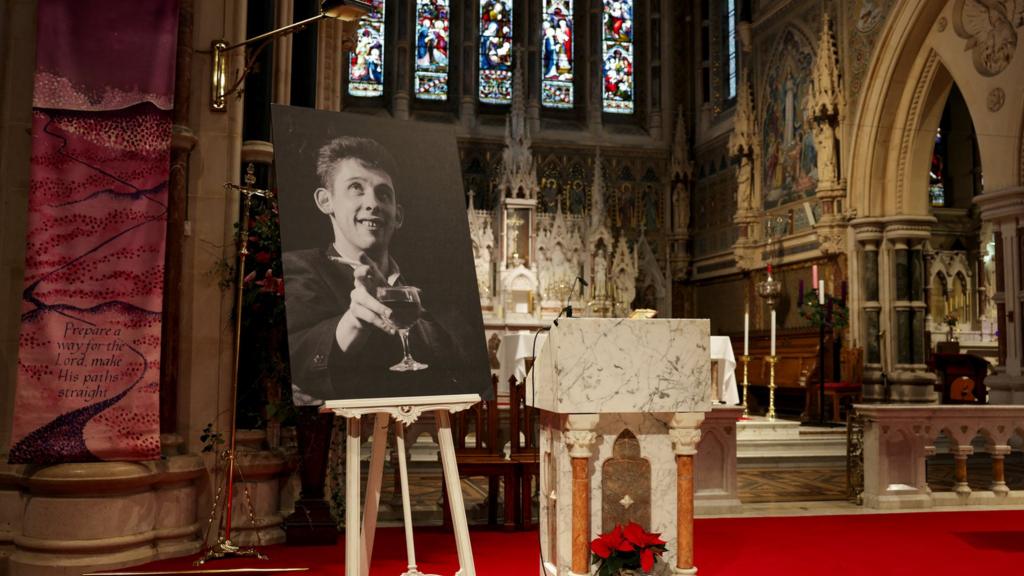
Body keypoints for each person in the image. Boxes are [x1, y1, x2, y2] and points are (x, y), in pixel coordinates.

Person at [283, 136, 462, 404]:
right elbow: (297, 355)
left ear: (398, 215)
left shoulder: (436, 290)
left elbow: (458, 372)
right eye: (356, 188)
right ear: (325, 201)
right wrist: (354, 321)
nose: (373, 203)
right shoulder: (298, 268)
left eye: (383, 193)